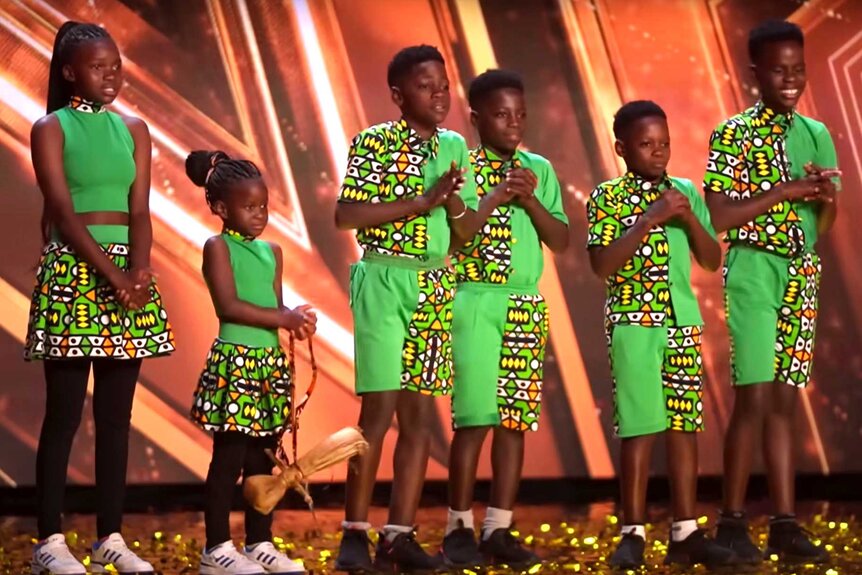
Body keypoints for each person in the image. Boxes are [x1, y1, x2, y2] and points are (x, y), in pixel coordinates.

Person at [26, 21, 175, 575]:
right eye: (97, 66)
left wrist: (138, 269)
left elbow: (140, 210)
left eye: (116, 65)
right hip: (75, 273)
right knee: (64, 414)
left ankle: (109, 535)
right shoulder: (50, 127)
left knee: (117, 416)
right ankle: (49, 541)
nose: (110, 75)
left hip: (126, 278)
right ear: (69, 73)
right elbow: (63, 213)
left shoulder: (134, 128)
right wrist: (113, 276)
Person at [332, 44, 479, 573]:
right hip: (385, 277)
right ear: (398, 94)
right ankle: (354, 533)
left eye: (443, 84)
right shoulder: (373, 143)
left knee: (420, 417)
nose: (439, 94)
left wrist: (457, 203)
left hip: (434, 284)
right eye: (425, 85)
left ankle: (399, 533)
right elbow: (345, 214)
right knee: (378, 410)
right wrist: (421, 202)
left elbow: (463, 231)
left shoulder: (457, 146)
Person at [706, 20, 840, 564]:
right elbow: (719, 215)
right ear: (755, 72)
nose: (791, 80)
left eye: (798, 69)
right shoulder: (732, 134)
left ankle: (785, 522)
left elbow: (824, 225)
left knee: (785, 398)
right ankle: (732, 522)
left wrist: (825, 197)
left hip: (801, 272)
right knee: (755, 395)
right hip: (753, 270)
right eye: (779, 70)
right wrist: (783, 190)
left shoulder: (817, 133)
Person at [585, 101, 734, 569]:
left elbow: (712, 259)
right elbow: (602, 264)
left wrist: (688, 217)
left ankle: (685, 531)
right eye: (646, 144)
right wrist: (649, 218)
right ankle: (632, 532)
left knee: (682, 426)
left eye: (664, 143)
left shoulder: (684, 190)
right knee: (639, 428)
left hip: (681, 323)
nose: (658, 152)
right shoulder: (606, 197)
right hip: (633, 324)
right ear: (621, 148)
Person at [441, 69, 568, 570]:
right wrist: (496, 194)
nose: (513, 124)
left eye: (520, 115)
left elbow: (559, 240)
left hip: (524, 304)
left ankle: (499, 526)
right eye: (500, 114)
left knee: (513, 422)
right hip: (475, 300)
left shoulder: (539, 169)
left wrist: (531, 198)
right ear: (474, 118)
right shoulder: (463, 169)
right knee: (474, 420)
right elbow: (460, 237)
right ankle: (457, 526)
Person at [185, 150, 316, 575]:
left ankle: (260, 541)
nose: (259, 215)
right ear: (222, 209)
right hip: (237, 363)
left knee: (264, 461)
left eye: (264, 206)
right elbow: (230, 306)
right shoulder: (217, 247)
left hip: (267, 367)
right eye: (249, 207)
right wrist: (282, 317)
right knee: (229, 460)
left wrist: (295, 318)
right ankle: (217, 547)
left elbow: (273, 305)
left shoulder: (273, 252)